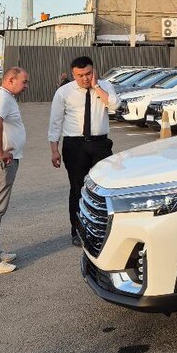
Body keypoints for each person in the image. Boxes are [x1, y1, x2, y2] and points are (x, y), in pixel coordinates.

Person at [48, 56, 119, 246]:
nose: (85, 78)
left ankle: (101, 230)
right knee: (77, 188)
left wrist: (97, 87)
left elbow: (114, 105)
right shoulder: (64, 92)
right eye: (80, 75)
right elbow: (55, 122)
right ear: (73, 74)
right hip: (75, 146)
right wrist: (54, 149)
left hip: (100, 145)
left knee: (103, 189)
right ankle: (77, 231)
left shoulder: (104, 86)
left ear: (94, 71)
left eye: (88, 73)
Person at [0, 67, 29, 274]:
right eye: (24, 82)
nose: (26, 86)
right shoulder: (0, 97)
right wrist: (0, 152)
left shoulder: (3, 96)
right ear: (11, 79)